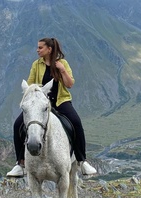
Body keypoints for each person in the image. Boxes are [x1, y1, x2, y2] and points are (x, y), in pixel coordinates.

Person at [7, 37, 97, 177]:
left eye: (40, 48)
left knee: (76, 122)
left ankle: (82, 161)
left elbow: (69, 84)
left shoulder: (63, 64)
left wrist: (62, 70)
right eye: (37, 47)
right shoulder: (36, 65)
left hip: (60, 101)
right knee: (18, 124)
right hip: (40, 103)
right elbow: (31, 85)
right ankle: (20, 163)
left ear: (49, 49)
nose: (37, 50)